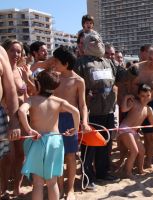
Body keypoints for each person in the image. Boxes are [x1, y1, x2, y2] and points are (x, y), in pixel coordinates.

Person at [75, 32, 138, 188]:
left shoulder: (109, 62)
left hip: (109, 108)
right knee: (89, 145)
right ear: (86, 44)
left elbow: (123, 76)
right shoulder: (81, 62)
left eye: (99, 40)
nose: (96, 43)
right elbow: (74, 83)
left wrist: (133, 70)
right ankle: (87, 178)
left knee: (106, 143)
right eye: (92, 41)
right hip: (91, 110)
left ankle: (103, 172)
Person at [18, 69, 80, 200]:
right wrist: (75, 128)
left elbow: (22, 112)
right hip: (54, 141)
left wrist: (29, 129)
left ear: (38, 85)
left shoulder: (32, 100)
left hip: (37, 140)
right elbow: (75, 111)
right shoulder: (58, 101)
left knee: (38, 183)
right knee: (52, 183)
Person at [51, 46, 90, 200]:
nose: (53, 63)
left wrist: (84, 122)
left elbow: (83, 105)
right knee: (57, 156)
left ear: (65, 63)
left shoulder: (78, 80)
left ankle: (70, 189)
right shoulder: (54, 77)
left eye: (56, 61)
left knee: (71, 156)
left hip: (70, 120)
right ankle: (59, 188)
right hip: (53, 119)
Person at [131, 47, 153, 170]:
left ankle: (148, 161)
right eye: (150, 59)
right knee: (130, 135)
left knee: (151, 136)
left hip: (150, 106)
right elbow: (125, 87)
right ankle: (130, 160)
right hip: (134, 104)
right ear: (146, 56)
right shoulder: (136, 69)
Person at [1, 39, 29, 197]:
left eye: (19, 51)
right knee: (7, 157)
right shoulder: (3, 70)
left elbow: (27, 94)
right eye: (13, 50)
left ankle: (17, 188)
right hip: (6, 118)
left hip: (22, 117)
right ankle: (4, 188)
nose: (16, 54)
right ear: (5, 52)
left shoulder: (20, 71)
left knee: (21, 155)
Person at [118, 84, 153, 178]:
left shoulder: (149, 109)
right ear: (138, 95)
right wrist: (126, 98)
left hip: (133, 131)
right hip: (125, 128)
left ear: (151, 96)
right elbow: (123, 109)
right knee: (134, 151)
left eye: (148, 95)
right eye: (143, 95)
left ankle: (140, 169)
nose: (145, 98)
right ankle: (128, 172)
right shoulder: (134, 102)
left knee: (142, 151)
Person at [0, 46, 21, 199]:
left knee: (4, 157)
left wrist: (14, 121)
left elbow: (10, 88)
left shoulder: (0, 52)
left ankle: (3, 189)